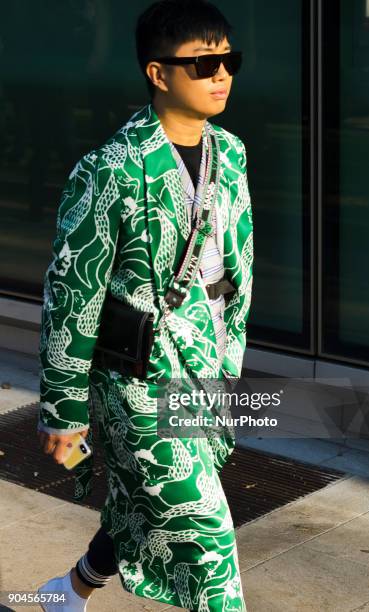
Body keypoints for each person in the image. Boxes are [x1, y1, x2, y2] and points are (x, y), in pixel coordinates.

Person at [36, 0, 254, 610]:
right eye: (203, 63)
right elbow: (71, 294)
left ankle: (65, 593)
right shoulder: (108, 170)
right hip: (134, 375)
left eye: (228, 60)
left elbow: (240, 268)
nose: (221, 75)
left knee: (144, 504)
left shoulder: (231, 153)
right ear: (158, 75)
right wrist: (63, 407)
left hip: (204, 364)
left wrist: (229, 355)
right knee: (204, 529)